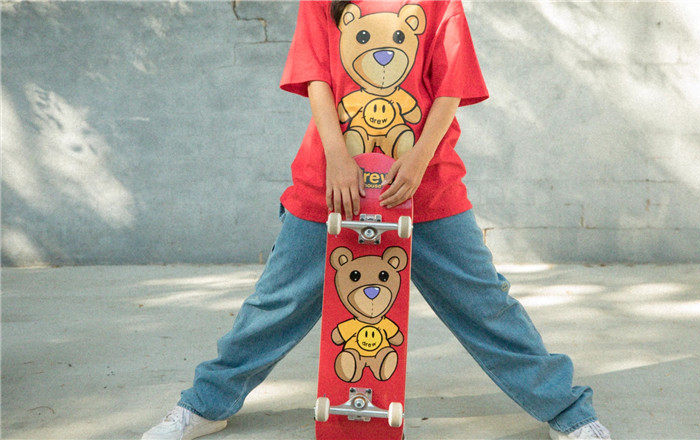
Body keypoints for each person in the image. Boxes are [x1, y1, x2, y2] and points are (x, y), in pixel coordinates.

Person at [141, 1, 612, 439]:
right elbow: (317, 79)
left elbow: (451, 85)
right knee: (276, 303)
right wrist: (337, 159)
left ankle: (566, 410)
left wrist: (419, 161)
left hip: (425, 184)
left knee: (484, 303)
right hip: (332, 185)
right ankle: (205, 405)